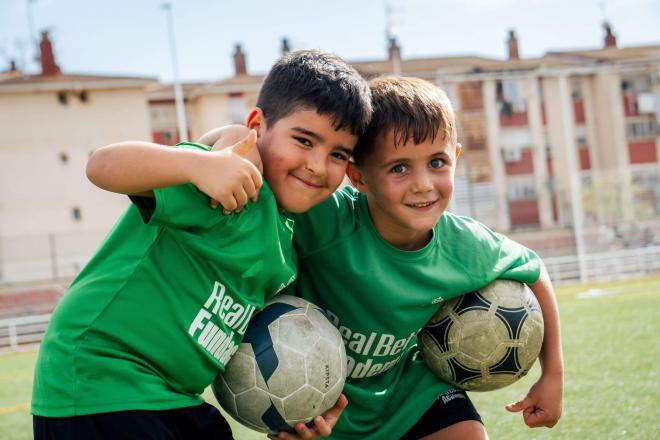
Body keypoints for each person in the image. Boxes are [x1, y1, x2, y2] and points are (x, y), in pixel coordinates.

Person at [31, 50, 372, 440]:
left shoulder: (286, 242)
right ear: (257, 126)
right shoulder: (222, 180)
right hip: (102, 379)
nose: (317, 164)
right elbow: (102, 165)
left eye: (337, 154)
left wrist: (290, 410)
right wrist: (198, 164)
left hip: (175, 397)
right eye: (304, 140)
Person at [282, 76, 564, 439]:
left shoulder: (463, 245)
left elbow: (534, 270)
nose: (423, 184)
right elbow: (265, 169)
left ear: (456, 158)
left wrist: (553, 374)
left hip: (410, 393)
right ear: (358, 177)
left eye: (437, 162)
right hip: (322, 406)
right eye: (399, 168)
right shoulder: (325, 219)